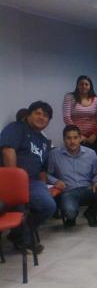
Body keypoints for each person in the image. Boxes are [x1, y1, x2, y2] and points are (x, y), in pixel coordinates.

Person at [0, 101, 56, 252]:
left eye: (46, 116)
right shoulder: (16, 128)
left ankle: (18, 235)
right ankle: (23, 239)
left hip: (33, 181)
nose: (41, 117)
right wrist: (14, 181)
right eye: (38, 113)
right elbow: (8, 151)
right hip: (12, 181)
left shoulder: (44, 141)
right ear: (29, 115)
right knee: (19, 206)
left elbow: (42, 168)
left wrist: (44, 186)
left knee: (48, 206)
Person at [47, 125, 97, 228]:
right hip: (68, 191)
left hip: (88, 188)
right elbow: (47, 174)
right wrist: (55, 181)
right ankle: (72, 216)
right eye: (68, 138)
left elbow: (96, 173)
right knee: (70, 211)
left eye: (75, 138)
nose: (72, 141)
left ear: (80, 138)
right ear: (64, 139)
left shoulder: (91, 153)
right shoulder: (54, 154)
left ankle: (90, 212)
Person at [62, 75, 97, 152]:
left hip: (93, 138)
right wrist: (78, 135)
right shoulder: (69, 97)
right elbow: (67, 117)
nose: (84, 86)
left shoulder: (96, 100)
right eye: (81, 84)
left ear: (90, 86)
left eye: (86, 84)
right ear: (77, 86)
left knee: (93, 157)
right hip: (75, 137)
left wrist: (94, 135)